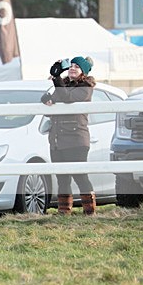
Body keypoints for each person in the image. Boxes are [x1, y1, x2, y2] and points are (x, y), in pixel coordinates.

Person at [41, 56, 96, 215]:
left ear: (83, 72)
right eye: (71, 65)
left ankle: (89, 211)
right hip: (57, 139)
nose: (72, 68)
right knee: (62, 178)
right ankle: (63, 211)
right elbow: (53, 97)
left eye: (77, 67)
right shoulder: (62, 85)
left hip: (76, 139)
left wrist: (56, 78)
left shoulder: (86, 87)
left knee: (80, 176)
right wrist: (46, 99)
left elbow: (67, 98)